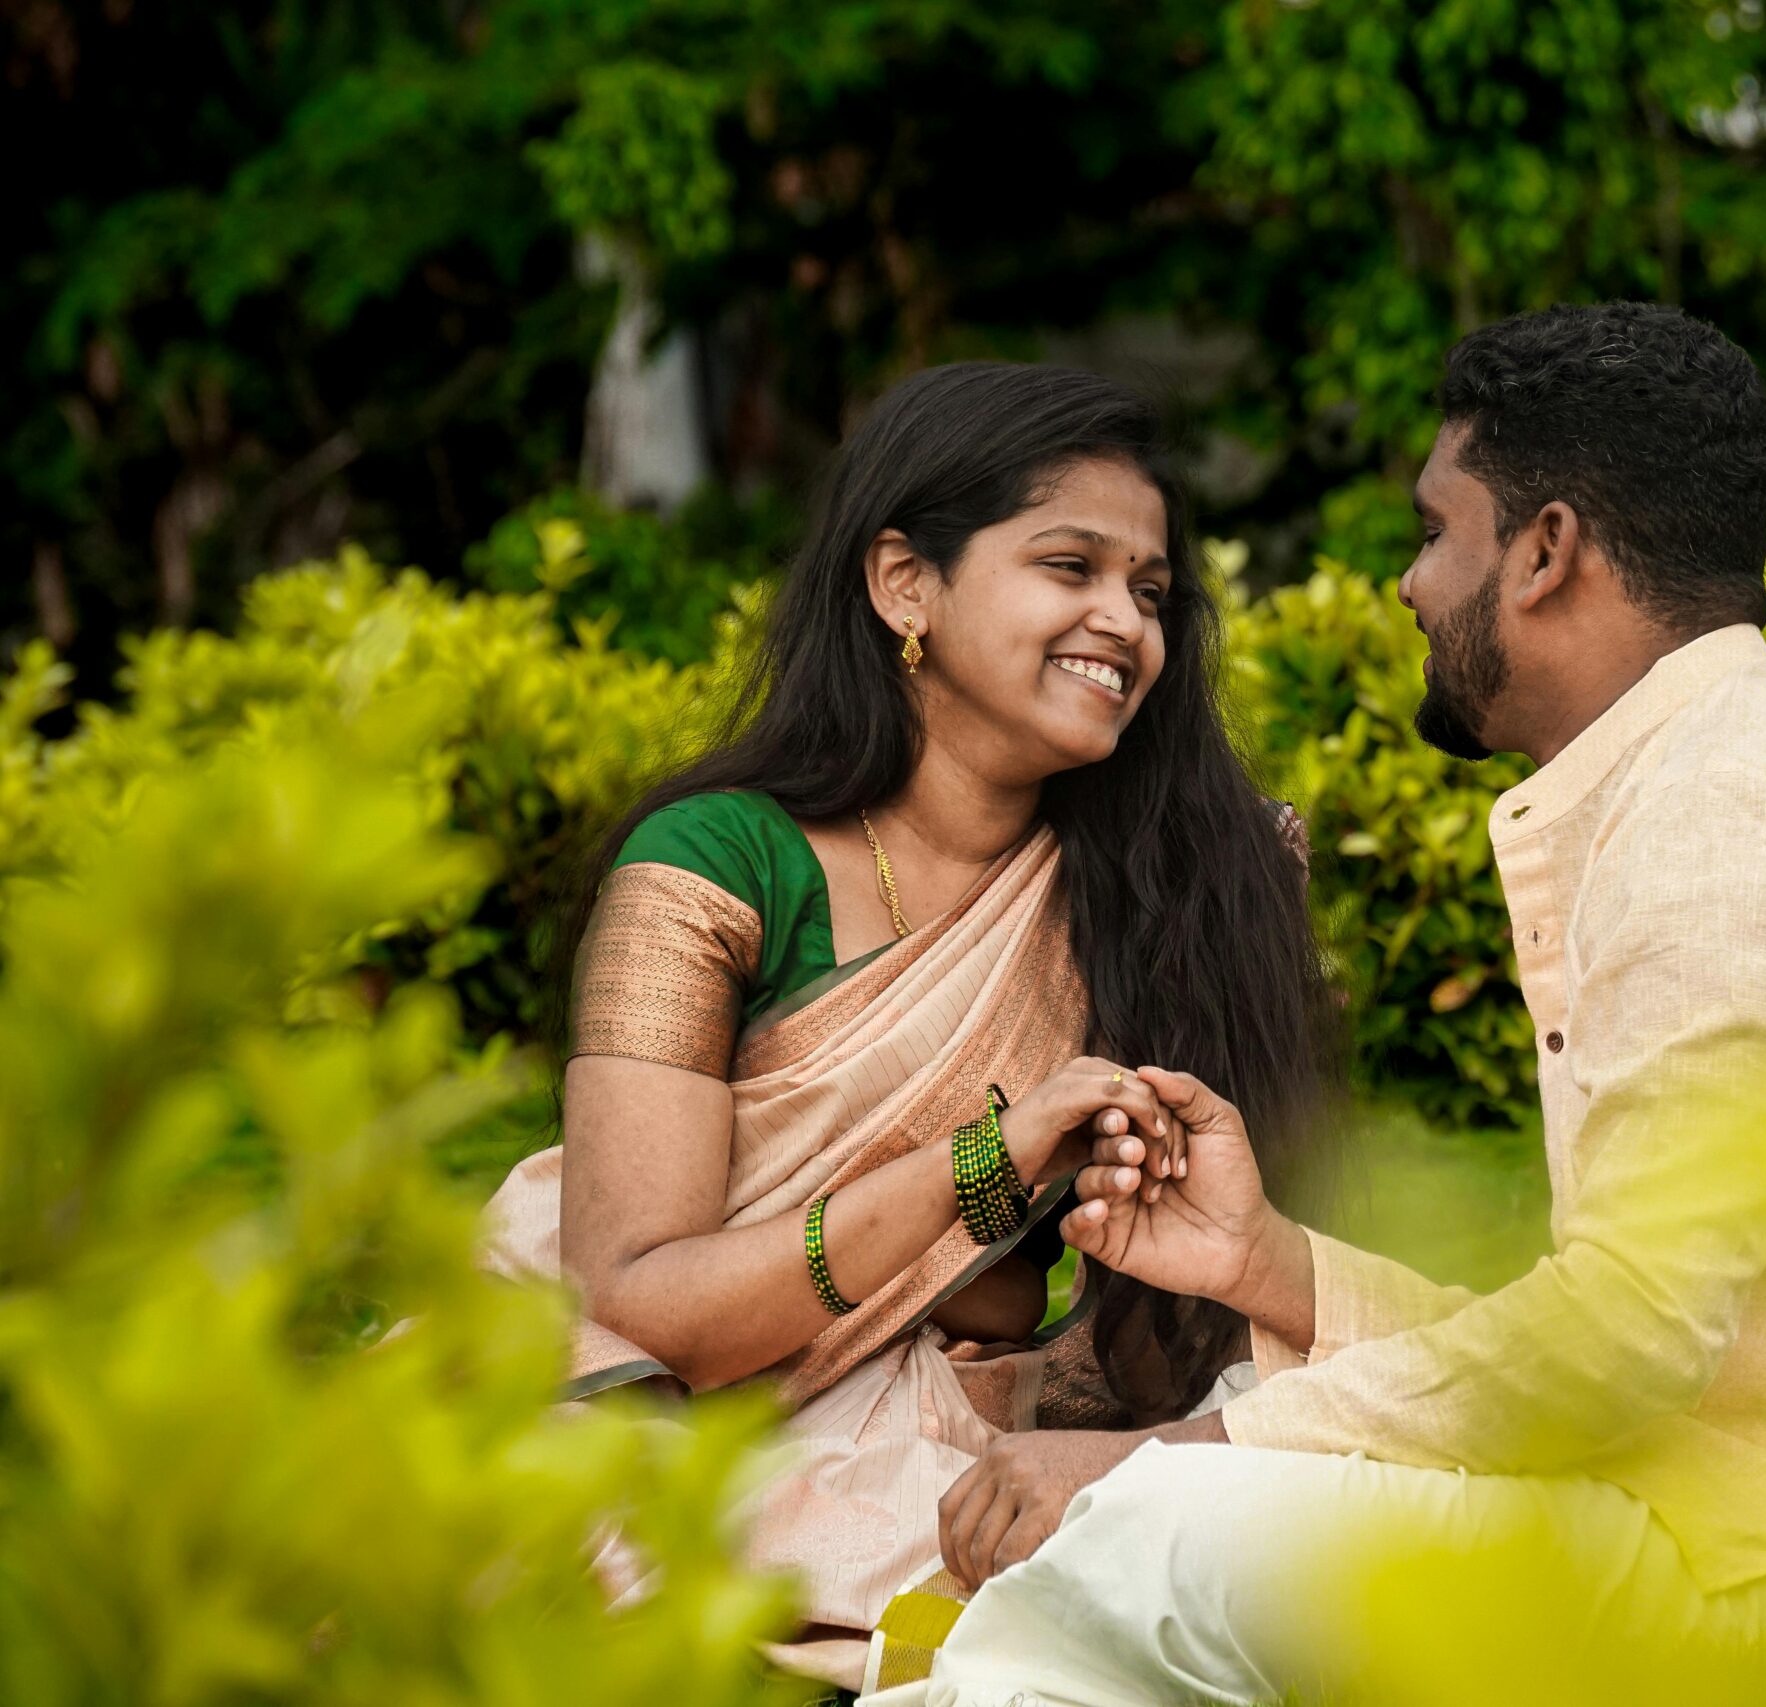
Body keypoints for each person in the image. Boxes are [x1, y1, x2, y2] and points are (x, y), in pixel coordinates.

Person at [884, 304, 1766, 1705]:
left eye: (1439, 531)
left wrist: (1161, 1463)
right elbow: (1632, 1333)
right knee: (1234, 1442)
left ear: (1545, 552)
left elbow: (1625, 1339)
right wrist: (1271, 1268)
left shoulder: (1722, 814)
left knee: (1161, 1535)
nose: (1411, 586)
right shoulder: (1709, 773)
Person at [478, 363, 1333, 1691]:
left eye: (1151, 591)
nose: (1125, 622)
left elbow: (1181, 1328)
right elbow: (637, 1308)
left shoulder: (1178, 888)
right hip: (649, 1412)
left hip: (936, 1409)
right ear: (902, 585)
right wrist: (983, 1171)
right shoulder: (711, 866)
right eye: (1072, 566)